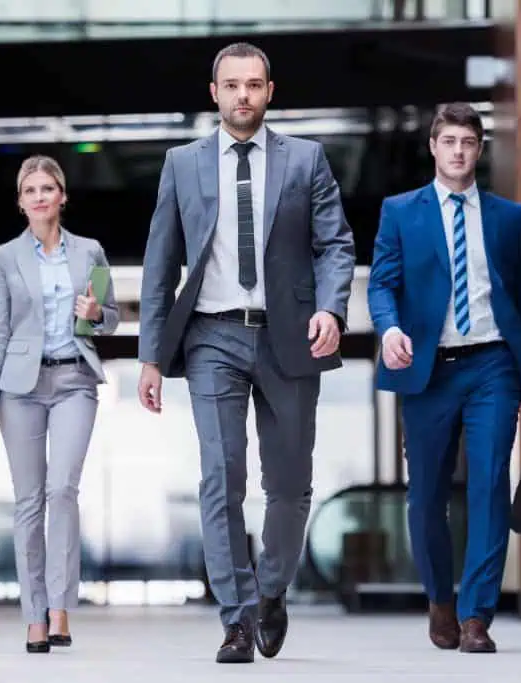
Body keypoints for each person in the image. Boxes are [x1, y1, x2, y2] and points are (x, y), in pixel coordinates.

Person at [137, 42, 355, 663]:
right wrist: (152, 355)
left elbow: (335, 243)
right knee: (221, 475)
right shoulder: (182, 164)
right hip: (211, 336)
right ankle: (235, 618)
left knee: (289, 482)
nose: (243, 96)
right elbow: (160, 263)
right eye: (232, 85)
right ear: (214, 92)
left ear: (269, 91)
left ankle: (272, 588)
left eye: (254, 85)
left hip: (290, 336)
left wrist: (332, 308)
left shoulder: (306, 159)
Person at [366, 102, 521, 654]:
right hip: (428, 369)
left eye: (468, 142)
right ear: (433, 147)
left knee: (490, 482)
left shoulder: (508, 217)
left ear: (479, 148)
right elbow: (382, 284)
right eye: (448, 141)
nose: (458, 152)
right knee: (424, 498)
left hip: (493, 363)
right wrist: (389, 329)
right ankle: (440, 600)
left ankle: (476, 616)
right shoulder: (401, 212)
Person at [0, 155, 119, 654]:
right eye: (30, 190)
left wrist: (97, 314)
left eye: (47, 188)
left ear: (62, 197)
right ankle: (34, 615)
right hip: (20, 387)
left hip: (75, 379)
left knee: (62, 491)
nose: (39, 196)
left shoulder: (90, 253)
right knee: (28, 502)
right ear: (20, 202)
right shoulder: (5, 258)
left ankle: (60, 607)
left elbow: (113, 318)